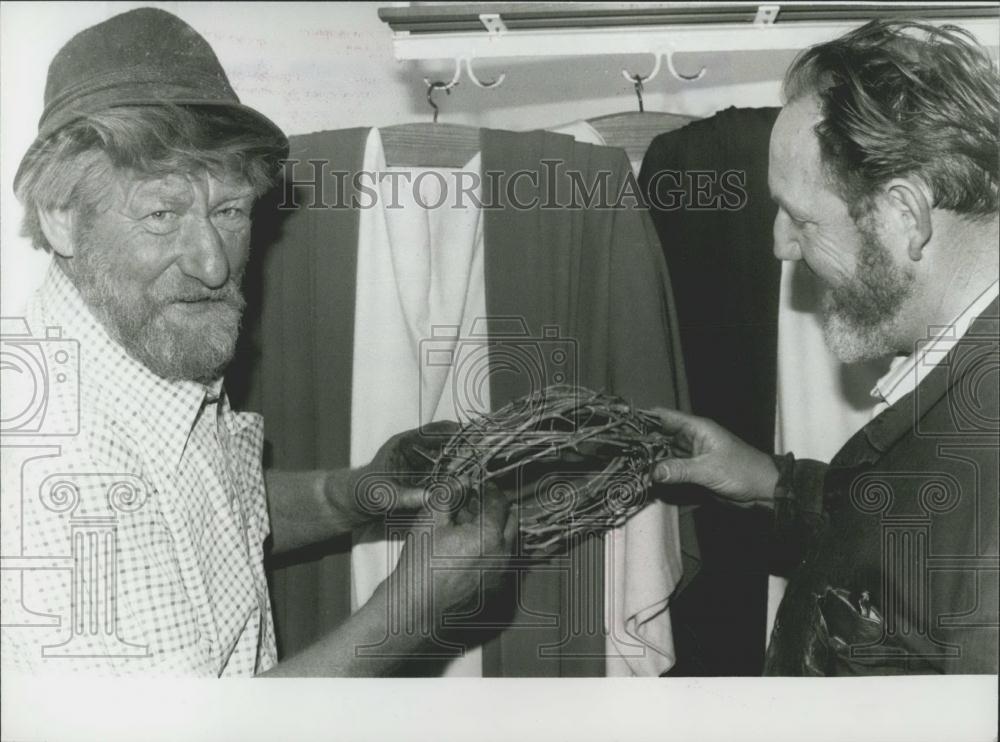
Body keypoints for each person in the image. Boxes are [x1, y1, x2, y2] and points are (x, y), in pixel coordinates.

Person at [1, 7, 514, 677]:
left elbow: (199, 516)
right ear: (62, 219)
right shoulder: (39, 469)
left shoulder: (142, 349)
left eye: (229, 210)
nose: (213, 265)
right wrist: (410, 614)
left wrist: (348, 494)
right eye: (162, 213)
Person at [652, 19, 998, 675]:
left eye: (802, 218)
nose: (780, 245)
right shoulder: (964, 359)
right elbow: (917, 531)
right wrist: (771, 483)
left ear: (906, 216)